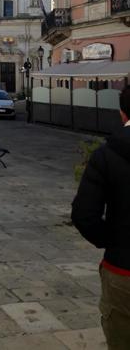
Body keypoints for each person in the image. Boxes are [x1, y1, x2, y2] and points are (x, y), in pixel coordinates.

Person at [71, 85, 130, 349]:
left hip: (124, 269)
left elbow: (85, 216)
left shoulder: (106, 155)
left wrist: (115, 241)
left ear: (122, 113)